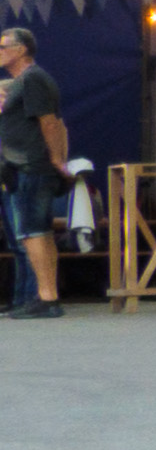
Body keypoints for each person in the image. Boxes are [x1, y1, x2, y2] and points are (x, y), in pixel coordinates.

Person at [0, 21, 64, 319]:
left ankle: (47, 297)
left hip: (31, 165)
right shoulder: (23, 82)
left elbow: (50, 122)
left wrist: (55, 159)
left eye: (2, 47)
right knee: (39, 231)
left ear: (21, 50)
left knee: (32, 232)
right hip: (24, 164)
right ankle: (46, 294)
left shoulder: (33, 79)